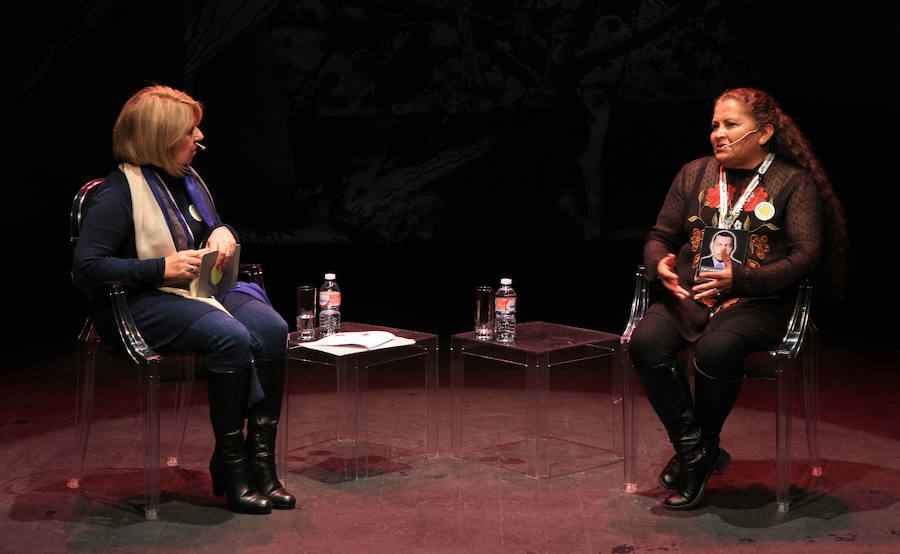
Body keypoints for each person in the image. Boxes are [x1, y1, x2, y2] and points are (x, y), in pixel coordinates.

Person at [72, 85, 296, 514]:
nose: (200, 138)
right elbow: (86, 268)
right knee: (229, 336)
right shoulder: (118, 194)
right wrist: (159, 268)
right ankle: (233, 468)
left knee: (272, 328)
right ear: (160, 138)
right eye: (190, 131)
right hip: (138, 302)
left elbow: (209, 230)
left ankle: (259, 461)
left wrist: (223, 231)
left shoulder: (187, 181)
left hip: (195, 290)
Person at [629, 87, 847, 510]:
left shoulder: (792, 182)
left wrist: (743, 280)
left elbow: (806, 258)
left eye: (731, 125)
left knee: (716, 349)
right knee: (646, 342)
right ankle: (697, 452)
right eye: (715, 125)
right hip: (696, 293)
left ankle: (696, 456)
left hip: (761, 299)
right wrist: (659, 263)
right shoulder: (694, 173)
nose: (719, 134)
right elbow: (660, 236)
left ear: (764, 133)